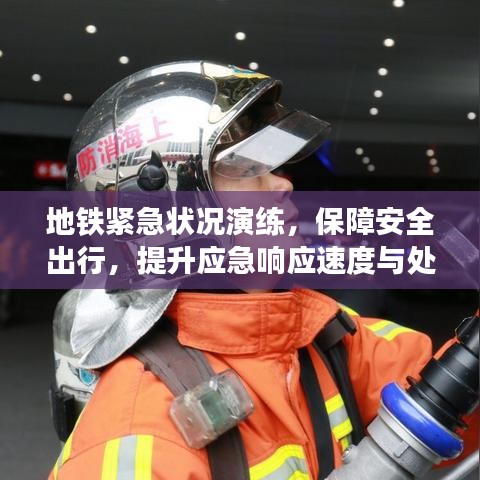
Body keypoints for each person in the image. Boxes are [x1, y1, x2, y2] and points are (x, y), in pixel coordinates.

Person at [49, 61, 477, 480]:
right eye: (247, 169)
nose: (283, 184)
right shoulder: (136, 440)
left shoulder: (322, 336)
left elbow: (449, 394)